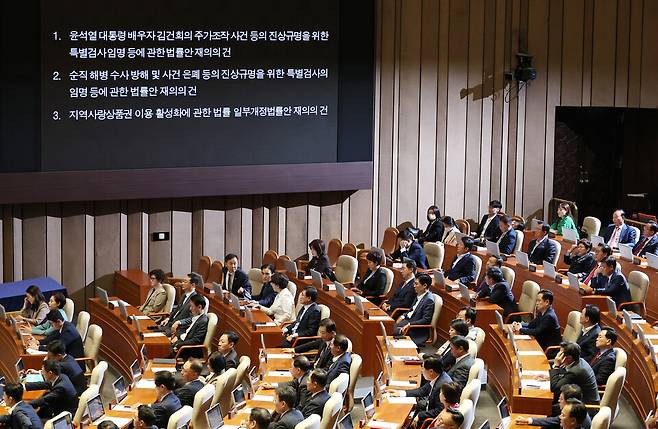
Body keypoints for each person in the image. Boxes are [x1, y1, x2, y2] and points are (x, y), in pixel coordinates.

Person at [386, 355, 451, 423]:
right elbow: (423, 390)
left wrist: (420, 415)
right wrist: (400, 393)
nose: (421, 370)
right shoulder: (439, 376)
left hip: (431, 420)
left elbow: (439, 411)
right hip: (427, 409)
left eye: (423, 368)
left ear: (431, 371)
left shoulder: (442, 385)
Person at [515, 384, 592, 429]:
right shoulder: (573, 411)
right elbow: (555, 419)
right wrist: (529, 420)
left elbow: (555, 420)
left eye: (561, 399)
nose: (559, 401)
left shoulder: (575, 416)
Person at [393, 274, 435, 346]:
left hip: (415, 329)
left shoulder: (429, 300)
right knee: (387, 327)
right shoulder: (419, 294)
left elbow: (426, 319)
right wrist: (403, 316)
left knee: (390, 331)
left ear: (424, 285)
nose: (414, 286)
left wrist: (410, 324)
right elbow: (412, 310)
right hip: (407, 321)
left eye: (416, 284)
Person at [170, 294, 209, 359]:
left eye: (192, 306)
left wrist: (179, 345)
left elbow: (196, 340)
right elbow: (186, 332)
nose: (190, 309)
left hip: (187, 350)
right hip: (182, 343)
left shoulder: (203, 321)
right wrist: (178, 336)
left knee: (162, 352)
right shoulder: (196, 317)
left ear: (199, 307)